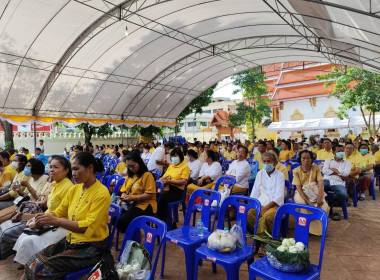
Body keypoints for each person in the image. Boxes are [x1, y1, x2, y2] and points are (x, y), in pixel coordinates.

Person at [23, 152, 110, 279]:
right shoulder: (75, 189)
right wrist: (42, 218)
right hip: (72, 240)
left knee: (42, 270)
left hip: (92, 246)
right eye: (72, 169)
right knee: (32, 262)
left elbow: (86, 227)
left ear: (90, 168)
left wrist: (56, 221)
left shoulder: (101, 193)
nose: (73, 173)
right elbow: (60, 211)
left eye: (76, 169)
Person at [0, 158, 49, 261]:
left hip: (34, 209)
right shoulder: (31, 178)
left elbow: (39, 199)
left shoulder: (45, 178)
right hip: (23, 204)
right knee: (4, 224)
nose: (26, 168)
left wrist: (27, 185)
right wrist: (19, 191)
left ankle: (12, 251)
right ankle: (7, 250)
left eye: (29, 166)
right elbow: (25, 195)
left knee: (6, 226)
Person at [248, 152, 284, 257]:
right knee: (249, 214)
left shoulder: (279, 175)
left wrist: (266, 208)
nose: (266, 163)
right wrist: (254, 205)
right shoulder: (260, 173)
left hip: (274, 205)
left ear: (275, 162)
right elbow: (255, 192)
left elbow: (279, 196)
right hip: (260, 203)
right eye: (264, 161)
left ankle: (264, 245)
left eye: (269, 161)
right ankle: (260, 241)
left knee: (266, 218)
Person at [116, 151, 156, 233]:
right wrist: (122, 198)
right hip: (131, 203)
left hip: (145, 205)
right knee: (113, 215)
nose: (131, 168)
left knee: (122, 220)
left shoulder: (147, 175)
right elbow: (124, 191)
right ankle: (133, 233)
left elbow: (150, 194)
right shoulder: (129, 177)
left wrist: (133, 198)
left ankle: (134, 236)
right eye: (129, 166)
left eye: (133, 166)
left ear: (139, 163)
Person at [292, 150, 329, 236]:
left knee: (324, 206)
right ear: (300, 159)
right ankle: (304, 228)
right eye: (303, 158)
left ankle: (318, 231)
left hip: (313, 191)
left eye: (308, 158)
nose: (306, 160)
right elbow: (299, 188)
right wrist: (308, 202)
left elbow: (320, 183)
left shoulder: (316, 168)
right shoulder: (296, 171)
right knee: (302, 203)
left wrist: (320, 197)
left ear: (312, 159)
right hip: (301, 192)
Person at [157, 148, 190, 223]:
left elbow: (184, 181)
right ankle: (162, 220)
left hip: (178, 192)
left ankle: (167, 221)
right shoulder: (171, 166)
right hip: (168, 189)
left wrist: (170, 181)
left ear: (180, 157)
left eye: (175, 156)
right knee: (156, 197)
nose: (173, 158)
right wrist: (159, 181)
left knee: (162, 200)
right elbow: (163, 177)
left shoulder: (185, 167)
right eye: (172, 156)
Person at [322, 145, 351, 221]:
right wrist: (340, 174)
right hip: (327, 181)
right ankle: (322, 208)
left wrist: (334, 170)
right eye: (338, 151)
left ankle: (330, 205)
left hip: (339, 183)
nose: (341, 152)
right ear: (333, 152)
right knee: (319, 188)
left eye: (342, 150)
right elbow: (324, 171)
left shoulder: (347, 163)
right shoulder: (328, 160)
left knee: (343, 194)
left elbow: (346, 174)